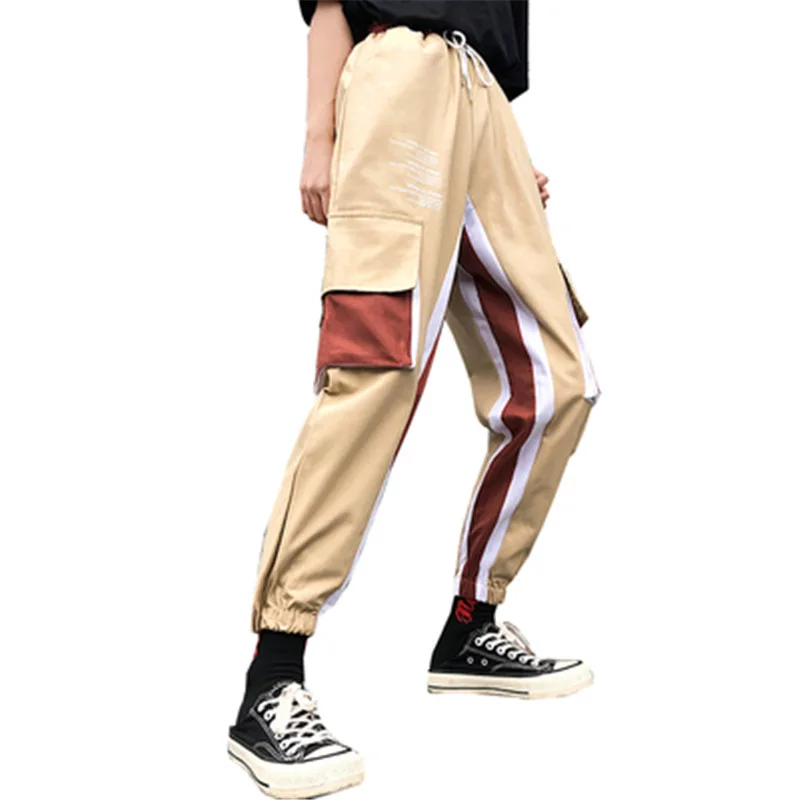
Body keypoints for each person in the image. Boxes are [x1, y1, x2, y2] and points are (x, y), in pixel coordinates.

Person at [227, 2, 600, 797]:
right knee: (375, 366)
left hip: (481, 95)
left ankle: (471, 625)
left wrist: (498, 145)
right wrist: (320, 135)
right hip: (397, 77)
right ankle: (272, 674)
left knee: (558, 379)